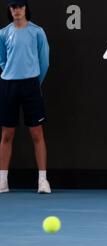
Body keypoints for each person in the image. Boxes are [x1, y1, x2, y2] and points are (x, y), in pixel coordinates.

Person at [0, 0, 51, 193]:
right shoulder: (3, 33)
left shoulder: (37, 32)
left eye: (20, 7)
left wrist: (34, 82)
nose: (17, 10)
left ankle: (43, 181)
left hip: (31, 84)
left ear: (26, 9)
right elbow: (2, 59)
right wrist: (10, 74)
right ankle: (2, 181)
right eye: (13, 7)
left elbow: (44, 61)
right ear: (10, 10)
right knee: (6, 134)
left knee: (37, 133)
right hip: (8, 86)